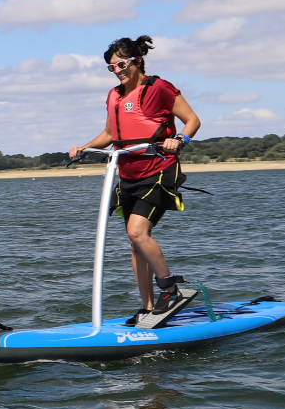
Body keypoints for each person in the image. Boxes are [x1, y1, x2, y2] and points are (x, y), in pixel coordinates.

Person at [67, 35, 203, 323]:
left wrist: (179, 139)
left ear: (137, 60)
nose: (118, 70)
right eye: (112, 67)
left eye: (122, 64)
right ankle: (149, 307)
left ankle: (170, 289)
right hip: (127, 174)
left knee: (137, 232)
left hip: (158, 170)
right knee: (135, 242)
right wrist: (84, 147)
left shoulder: (159, 88)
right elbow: (109, 135)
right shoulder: (114, 95)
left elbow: (193, 120)